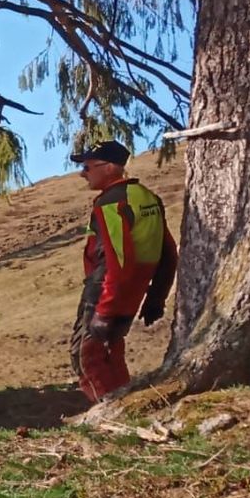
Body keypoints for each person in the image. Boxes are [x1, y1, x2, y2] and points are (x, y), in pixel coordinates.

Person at [71, 139, 178, 402]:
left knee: (86, 355)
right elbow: (168, 252)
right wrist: (156, 297)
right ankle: (127, 404)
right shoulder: (148, 197)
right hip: (133, 289)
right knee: (111, 350)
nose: (82, 173)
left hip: (106, 289)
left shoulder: (110, 203)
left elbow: (117, 260)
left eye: (87, 166)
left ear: (109, 168)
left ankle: (108, 411)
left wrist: (104, 311)